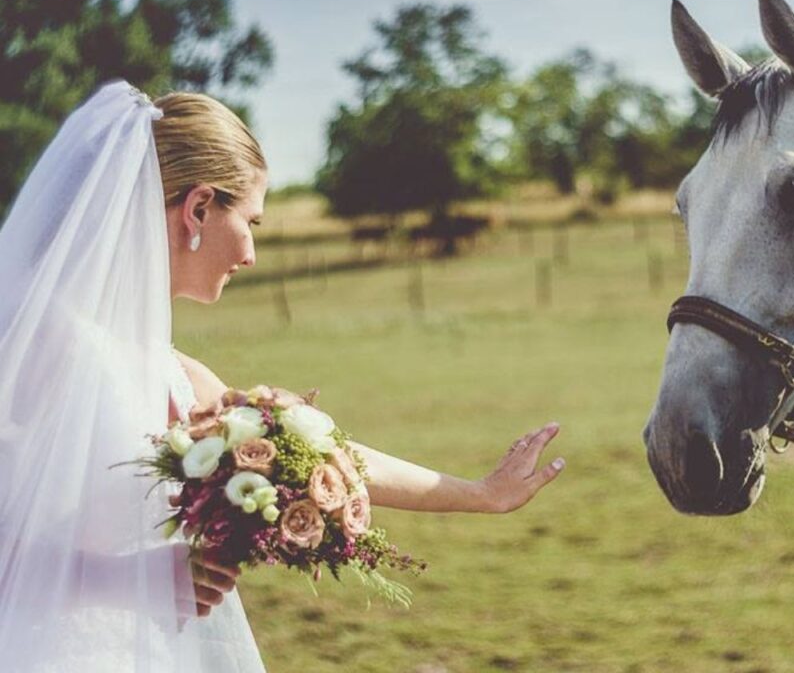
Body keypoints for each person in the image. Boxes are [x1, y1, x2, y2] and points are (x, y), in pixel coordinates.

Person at [0, 81, 564, 672]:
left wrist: (480, 494)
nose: (250, 255)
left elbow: (325, 457)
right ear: (197, 209)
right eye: (252, 222)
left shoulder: (171, 373)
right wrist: (126, 578)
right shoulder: (37, 339)